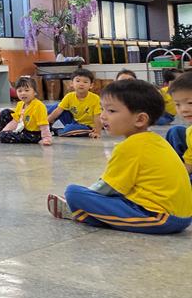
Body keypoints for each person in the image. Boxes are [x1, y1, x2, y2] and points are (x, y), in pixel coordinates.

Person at [47, 79, 192, 234]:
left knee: (74, 193)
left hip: (160, 218)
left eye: (111, 111)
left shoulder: (129, 147)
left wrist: (86, 197)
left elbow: (106, 188)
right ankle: (91, 213)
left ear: (140, 119)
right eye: (102, 109)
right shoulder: (155, 140)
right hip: (181, 215)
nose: (103, 116)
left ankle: (80, 212)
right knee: (112, 197)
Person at [0, 76, 52, 145]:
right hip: (23, 129)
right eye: (19, 91)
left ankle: (0, 135)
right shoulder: (20, 104)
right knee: (6, 112)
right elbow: (15, 122)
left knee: (4, 136)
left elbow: (43, 124)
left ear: (35, 92)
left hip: (34, 134)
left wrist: (46, 138)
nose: (23, 93)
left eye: (27, 90)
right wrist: (3, 131)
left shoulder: (39, 106)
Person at [47, 68, 101, 138]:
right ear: (72, 83)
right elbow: (58, 111)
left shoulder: (95, 98)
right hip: (73, 121)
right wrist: (45, 123)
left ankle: (58, 131)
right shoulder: (69, 96)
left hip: (86, 126)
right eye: (78, 81)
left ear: (91, 85)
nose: (81, 84)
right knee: (56, 107)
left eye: (85, 82)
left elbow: (97, 116)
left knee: (70, 129)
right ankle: (47, 126)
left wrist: (97, 132)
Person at [163, 70, 192, 175]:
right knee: (175, 131)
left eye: (190, 103)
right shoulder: (190, 132)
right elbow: (189, 164)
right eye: (177, 104)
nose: (183, 109)